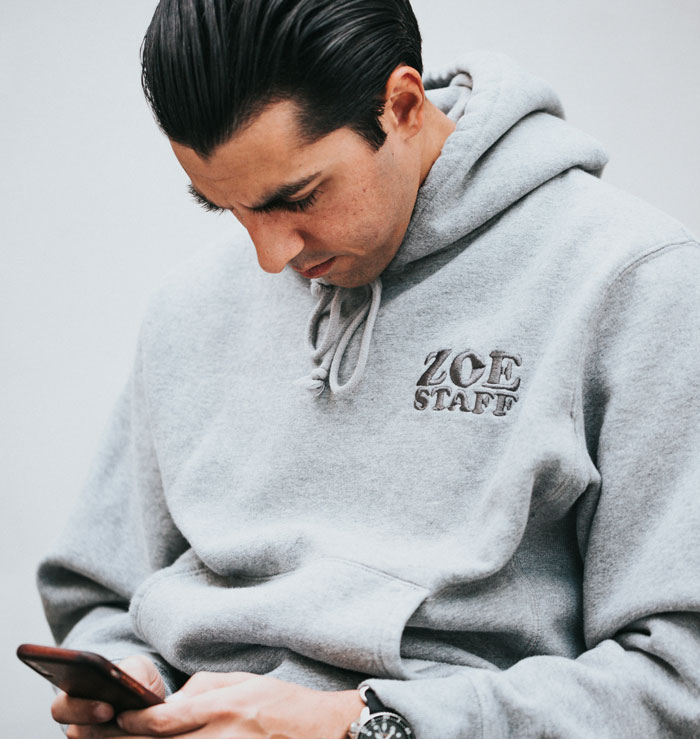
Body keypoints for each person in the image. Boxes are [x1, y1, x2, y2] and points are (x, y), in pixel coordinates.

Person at [38, 0, 700, 736]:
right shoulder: (190, 303)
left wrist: (362, 724)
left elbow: (679, 680)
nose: (270, 257)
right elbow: (101, 594)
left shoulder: (635, 283)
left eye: (297, 197)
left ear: (403, 106)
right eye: (225, 208)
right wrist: (132, 685)